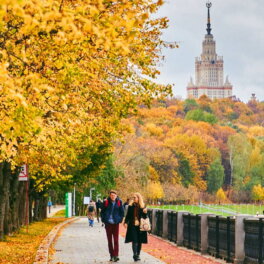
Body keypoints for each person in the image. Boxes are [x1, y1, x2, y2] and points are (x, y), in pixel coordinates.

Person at [123, 192, 148, 262]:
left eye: (135, 197)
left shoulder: (143, 206)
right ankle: (135, 254)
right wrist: (125, 222)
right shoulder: (130, 206)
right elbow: (128, 215)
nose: (133, 199)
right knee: (134, 240)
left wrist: (145, 213)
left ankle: (138, 254)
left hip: (140, 226)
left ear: (138, 198)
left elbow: (145, 217)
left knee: (139, 241)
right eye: (133, 197)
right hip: (132, 225)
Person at [101, 190, 124, 262]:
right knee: (110, 240)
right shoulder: (106, 202)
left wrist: (119, 220)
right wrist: (104, 220)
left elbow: (122, 212)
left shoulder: (119, 202)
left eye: (114, 195)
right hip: (108, 223)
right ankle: (112, 255)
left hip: (115, 223)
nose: (113, 196)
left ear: (116, 196)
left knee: (116, 240)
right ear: (110, 196)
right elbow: (102, 212)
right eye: (111, 195)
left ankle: (116, 255)